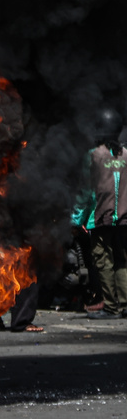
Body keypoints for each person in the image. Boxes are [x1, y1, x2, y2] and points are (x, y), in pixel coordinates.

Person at [86, 107, 127, 319]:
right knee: (122, 261)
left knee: (104, 262)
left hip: (102, 218)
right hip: (124, 220)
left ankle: (111, 308)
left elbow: (84, 192)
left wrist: (76, 220)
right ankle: (125, 305)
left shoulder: (94, 156)